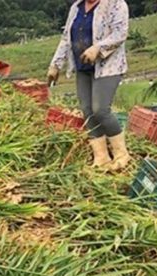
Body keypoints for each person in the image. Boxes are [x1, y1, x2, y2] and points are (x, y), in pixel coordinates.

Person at [47, 0, 131, 172]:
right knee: (87, 110)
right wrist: (55, 65)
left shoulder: (116, 4)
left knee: (100, 109)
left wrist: (98, 48)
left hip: (108, 67)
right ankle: (101, 157)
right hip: (83, 67)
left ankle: (121, 154)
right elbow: (66, 38)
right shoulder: (76, 7)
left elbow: (120, 34)